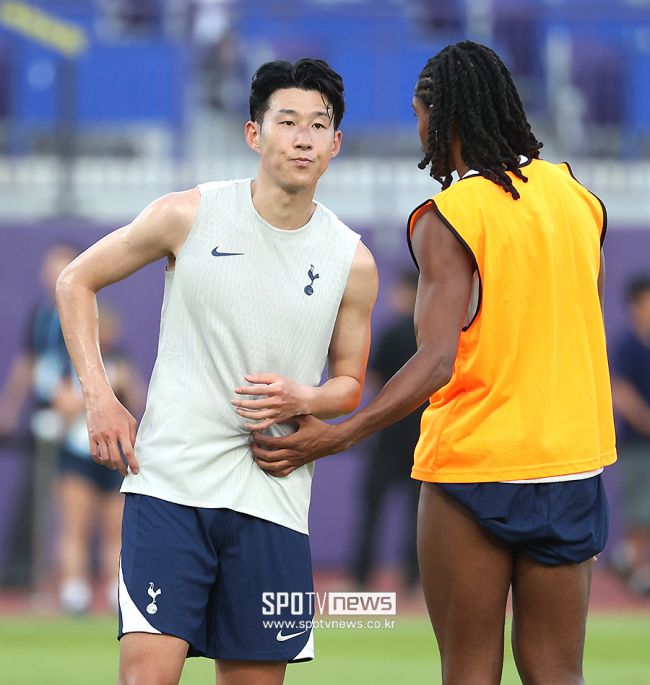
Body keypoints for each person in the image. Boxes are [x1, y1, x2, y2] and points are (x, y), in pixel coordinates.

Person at [252, 41, 617, 685]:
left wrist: (339, 435)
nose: (418, 130)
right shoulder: (579, 198)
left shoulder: (448, 215)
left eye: (419, 115)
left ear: (443, 118)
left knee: (469, 673)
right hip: (571, 463)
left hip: (474, 465)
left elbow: (437, 360)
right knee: (558, 672)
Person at [56, 59, 378, 685]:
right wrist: (99, 396)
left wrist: (302, 396)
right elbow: (76, 281)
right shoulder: (189, 213)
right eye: (287, 122)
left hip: (273, 496)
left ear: (336, 143)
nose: (303, 138)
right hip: (170, 487)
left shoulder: (352, 260)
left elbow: (348, 385)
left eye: (319, 125)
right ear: (254, 133)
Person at [53, 305, 146, 614]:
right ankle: (73, 593)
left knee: (115, 529)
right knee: (76, 527)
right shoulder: (72, 364)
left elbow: (137, 401)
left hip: (114, 455)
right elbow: (63, 406)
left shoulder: (121, 361)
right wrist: (97, 395)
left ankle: (115, 591)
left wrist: (123, 386)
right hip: (78, 455)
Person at [0, 242, 79, 586]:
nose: (52, 274)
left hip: (77, 419)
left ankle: (66, 577)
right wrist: (9, 408)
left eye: (60, 266)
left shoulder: (83, 306)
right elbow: (29, 362)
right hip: (45, 415)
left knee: (73, 499)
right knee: (33, 490)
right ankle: (23, 571)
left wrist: (74, 402)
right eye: (49, 267)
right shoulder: (41, 311)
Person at [351, 271, 423, 591]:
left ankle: (361, 577)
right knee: (418, 514)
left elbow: (375, 380)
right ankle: (414, 579)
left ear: (409, 293)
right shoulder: (432, 335)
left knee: (372, 509)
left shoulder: (393, 331)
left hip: (388, 434)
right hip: (422, 437)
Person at [610, 276, 650, 595]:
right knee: (639, 507)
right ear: (636, 306)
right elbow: (620, 392)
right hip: (638, 443)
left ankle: (626, 559)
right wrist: (645, 421)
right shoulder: (626, 346)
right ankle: (636, 569)